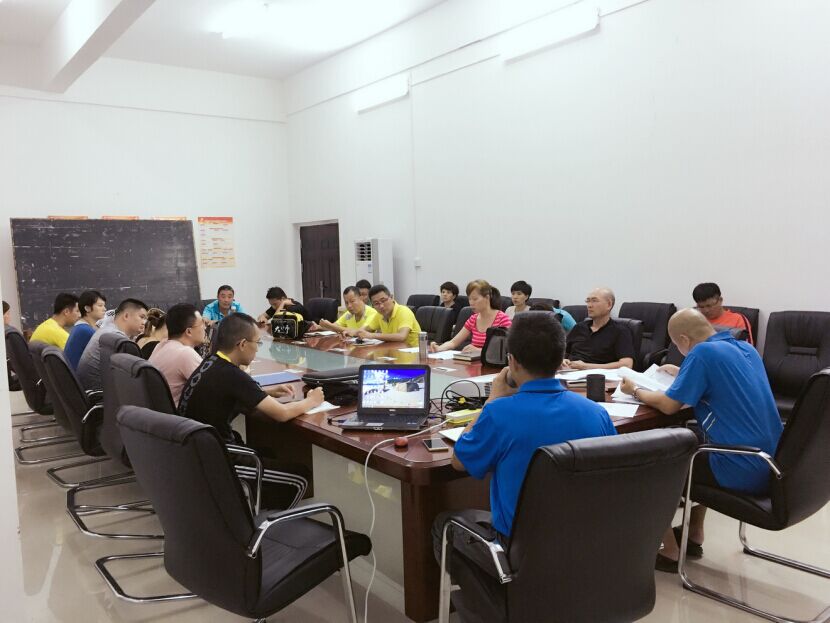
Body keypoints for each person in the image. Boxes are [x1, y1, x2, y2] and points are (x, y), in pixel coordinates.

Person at [432, 312, 617, 622]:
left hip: (521, 550)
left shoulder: (500, 413)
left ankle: (504, 607)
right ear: (560, 358)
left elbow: (459, 461)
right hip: (586, 542)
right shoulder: (596, 413)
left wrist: (492, 400)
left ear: (512, 361)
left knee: (444, 526)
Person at [619, 308, 783, 573]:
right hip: (770, 462)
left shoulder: (702, 353)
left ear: (684, 339)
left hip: (739, 465)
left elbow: (669, 406)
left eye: (676, 344)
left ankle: (669, 551)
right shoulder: (744, 348)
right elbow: (723, 380)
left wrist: (635, 389)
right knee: (694, 445)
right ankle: (694, 533)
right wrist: (683, 372)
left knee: (650, 466)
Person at [178, 313, 324, 509]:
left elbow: (228, 392)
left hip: (197, 454)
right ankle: (262, 521)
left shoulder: (211, 362)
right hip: (220, 459)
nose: (257, 348)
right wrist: (311, 401)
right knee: (300, 476)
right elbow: (282, 414)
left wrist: (265, 392)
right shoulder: (232, 374)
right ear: (242, 344)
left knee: (268, 452)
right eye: (257, 343)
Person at [77, 298, 148, 391]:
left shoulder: (107, 331)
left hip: (88, 391)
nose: (144, 322)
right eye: (142, 317)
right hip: (99, 395)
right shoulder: (118, 339)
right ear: (126, 316)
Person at [430, 280, 510, 354]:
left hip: (492, 364)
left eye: (475, 299)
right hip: (473, 362)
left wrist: (479, 351)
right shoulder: (473, 319)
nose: (471, 303)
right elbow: (453, 342)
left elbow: (507, 350)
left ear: (487, 298)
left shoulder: (502, 319)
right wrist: (438, 348)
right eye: (469, 299)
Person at [564, 288, 635, 370]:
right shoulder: (579, 327)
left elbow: (627, 364)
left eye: (594, 301)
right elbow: (563, 352)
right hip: (568, 372)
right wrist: (562, 360)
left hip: (596, 375)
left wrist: (586, 366)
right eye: (588, 301)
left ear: (609, 304)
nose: (589, 305)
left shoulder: (620, 331)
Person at [149, 304, 206, 404]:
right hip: (177, 413)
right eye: (202, 323)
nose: (205, 327)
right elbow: (212, 387)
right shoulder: (185, 353)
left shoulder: (160, 345)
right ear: (189, 331)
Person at [343, 285, 422, 347]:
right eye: (376, 303)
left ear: (391, 297)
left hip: (413, 354)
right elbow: (366, 329)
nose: (381, 306)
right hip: (393, 351)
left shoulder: (404, 311)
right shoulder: (379, 315)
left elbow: (401, 336)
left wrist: (372, 335)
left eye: (383, 300)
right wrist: (352, 332)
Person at [64, 290, 107, 370]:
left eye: (104, 305)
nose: (104, 309)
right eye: (100, 305)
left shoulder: (81, 327)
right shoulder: (85, 331)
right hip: (80, 376)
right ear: (87, 308)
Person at [307, 286, 378, 334]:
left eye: (352, 301)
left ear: (361, 298)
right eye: (346, 303)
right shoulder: (349, 314)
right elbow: (335, 326)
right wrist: (318, 327)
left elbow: (359, 332)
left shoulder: (372, 313)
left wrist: (330, 325)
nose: (349, 306)